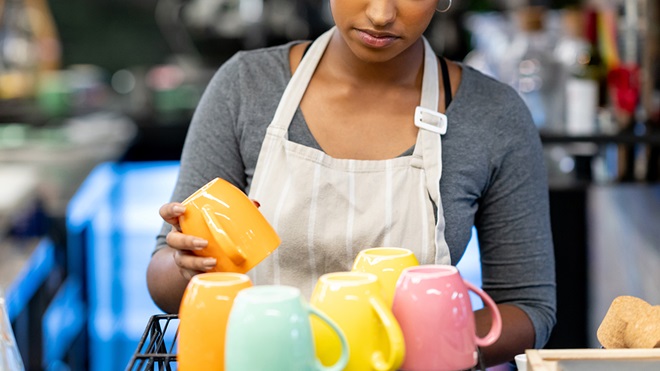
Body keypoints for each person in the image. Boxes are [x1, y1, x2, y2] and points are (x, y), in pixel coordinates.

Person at [147, 0, 556, 366]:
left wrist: (429, 344)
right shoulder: (245, 86)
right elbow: (163, 278)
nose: (381, 14)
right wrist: (188, 265)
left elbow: (528, 306)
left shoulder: (494, 116)